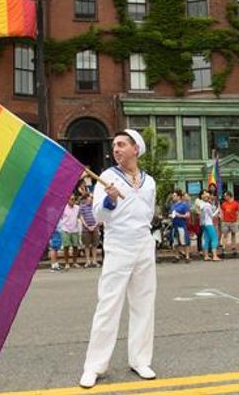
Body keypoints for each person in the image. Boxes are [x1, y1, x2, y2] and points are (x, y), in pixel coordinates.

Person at [80, 130, 157, 389]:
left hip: (144, 245)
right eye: (114, 145)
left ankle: (140, 360)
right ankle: (94, 366)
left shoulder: (150, 182)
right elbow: (98, 216)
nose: (116, 148)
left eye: (122, 144)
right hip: (118, 245)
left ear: (136, 149)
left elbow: (147, 214)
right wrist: (110, 199)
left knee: (143, 304)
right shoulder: (107, 177)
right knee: (109, 305)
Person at [78, 187, 100, 268]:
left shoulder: (95, 206)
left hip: (95, 227)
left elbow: (98, 216)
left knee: (95, 245)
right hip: (86, 228)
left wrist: (95, 225)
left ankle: (94, 260)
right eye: (91, 197)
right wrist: (87, 226)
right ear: (87, 198)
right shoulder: (82, 206)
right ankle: (88, 261)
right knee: (86, 245)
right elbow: (81, 217)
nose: (92, 198)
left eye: (92, 197)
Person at [59, 194, 82, 269]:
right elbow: (60, 217)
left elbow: (79, 217)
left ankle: (74, 262)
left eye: (74, 199)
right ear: (67, 200)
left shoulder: (77, 208)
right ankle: (67, 263)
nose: (73, 201)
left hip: (75, 229)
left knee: (75, 246)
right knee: (66, 246)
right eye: (71, 199)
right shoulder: (63, 208)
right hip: (65, 229)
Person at [169, 190, 191, 262]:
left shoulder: (184, 205)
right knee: (175, 242)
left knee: (184, 241)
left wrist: (180, 215)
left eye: (174, 196)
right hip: (174, 225)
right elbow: (171, 214)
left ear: (179, 197)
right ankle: (177, 256)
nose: (173, 197)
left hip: (181, 225)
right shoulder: (172, 205)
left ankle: (187, 256)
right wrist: (171, 216)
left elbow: (188, 215)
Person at [199, 192, 220, 261]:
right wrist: (218, 210)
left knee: (206, 239)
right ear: (208, 198)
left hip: (203, 224)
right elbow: (212, 215)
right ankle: (214, 256)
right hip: (209, 223)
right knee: (214, 238)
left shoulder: (201, 205)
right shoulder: (208, 205)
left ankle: (206, 255)